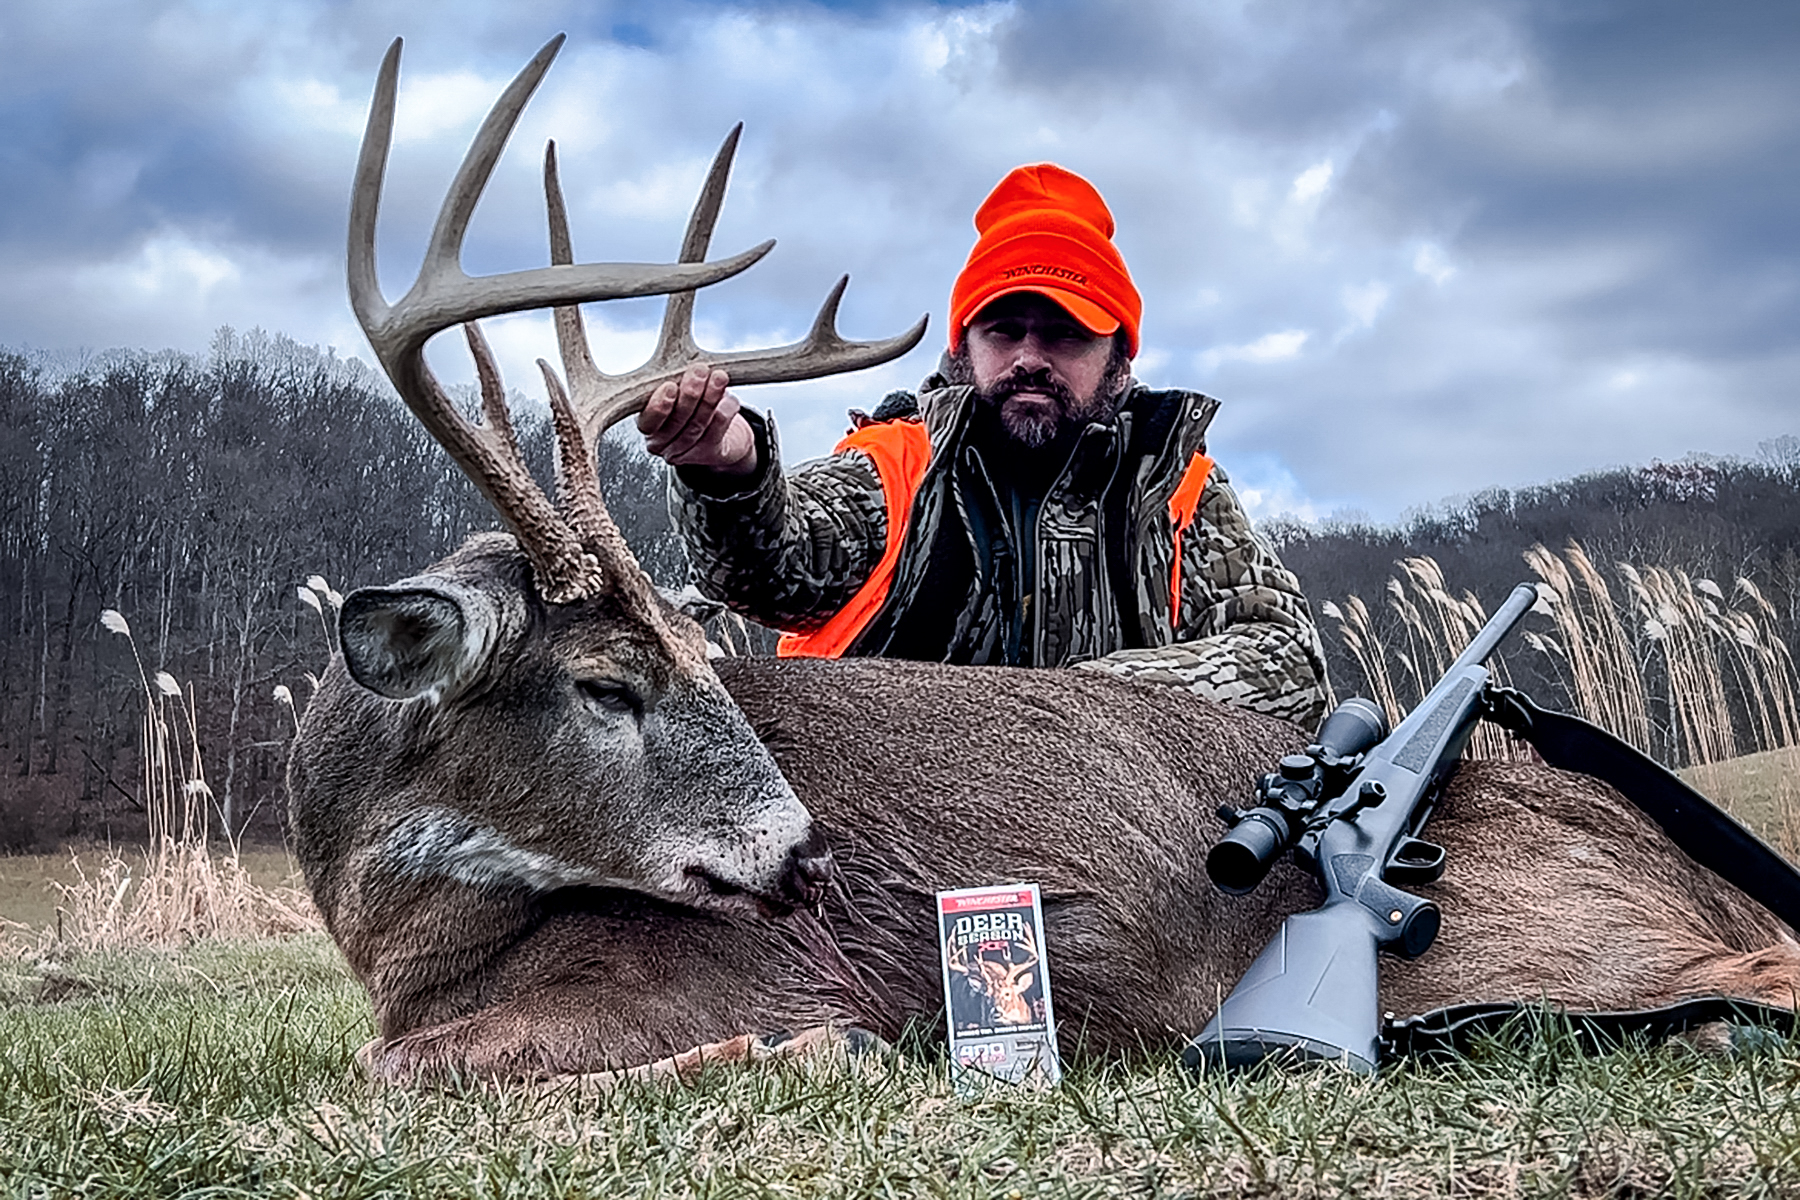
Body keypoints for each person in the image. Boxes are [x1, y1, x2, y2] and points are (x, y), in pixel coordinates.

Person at [639, 163, 1329, 728]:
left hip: (1107, 813)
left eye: (1065, 334)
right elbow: (773, 575)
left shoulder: (1176, 488)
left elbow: (1289, 659)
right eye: (1003, 331)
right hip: (883, 809)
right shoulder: (899, 465)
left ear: (1118, 359)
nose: (1030, 358)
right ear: (962, 349)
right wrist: (730, 473)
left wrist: (1073, 705)